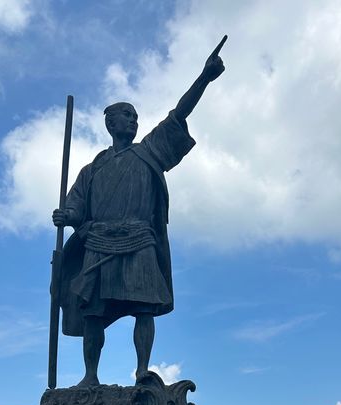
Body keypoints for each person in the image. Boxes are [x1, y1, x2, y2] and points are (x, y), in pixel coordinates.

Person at [53, 37, 226, 387]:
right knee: (93, 314)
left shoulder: (149, 153)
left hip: (139, 241)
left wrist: (204, 78)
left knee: (145, 308)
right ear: (111, 123)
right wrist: (66, 216)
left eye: (135, 117)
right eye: (126, 116)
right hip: (99, 244)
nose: (133, 121)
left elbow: (179, 114)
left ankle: (142, 369)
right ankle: (90, 376)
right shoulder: (93, 168)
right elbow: (76, 206)